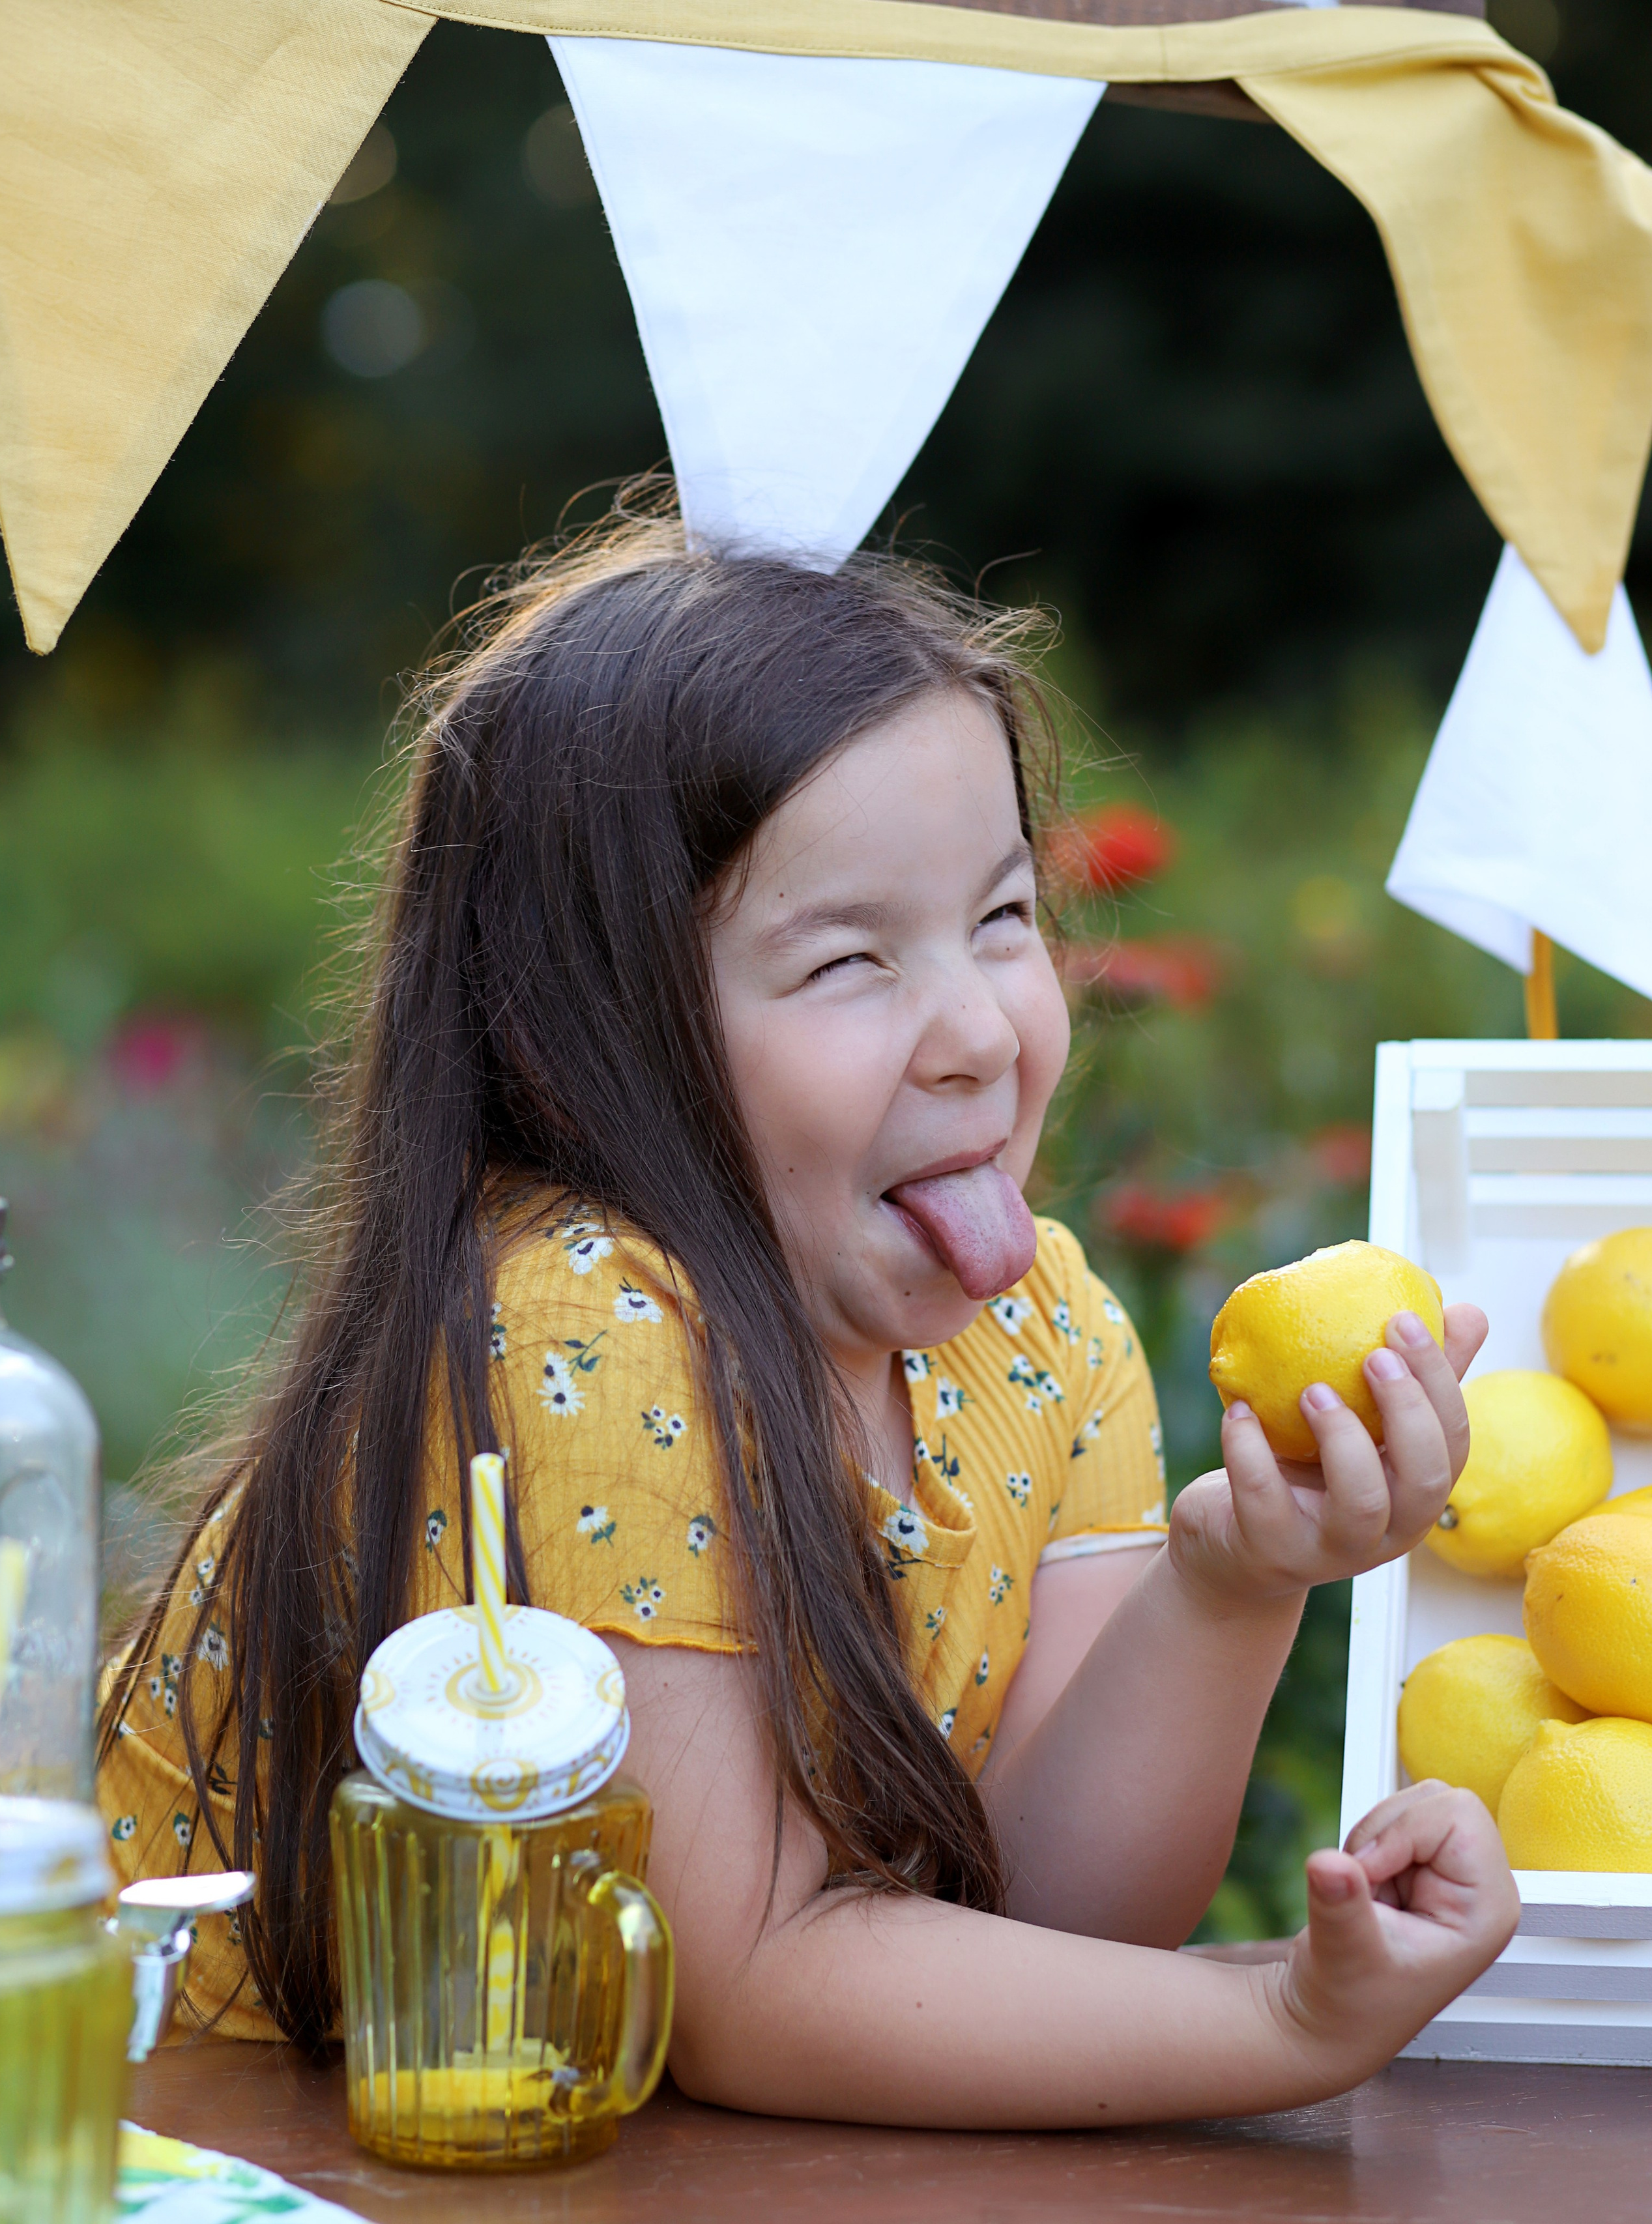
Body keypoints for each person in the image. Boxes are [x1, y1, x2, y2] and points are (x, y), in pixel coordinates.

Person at [98, 498, 1516, 2125]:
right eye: (849, 961)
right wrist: (1278, 2030)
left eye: (999, 918)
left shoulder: (1037, 1325)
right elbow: (753, 1990)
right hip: (205, 2151)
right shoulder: (581, 1320)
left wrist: (1233, 1579)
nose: (979, 1027)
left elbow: (1048, 1926)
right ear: (579, 1043)